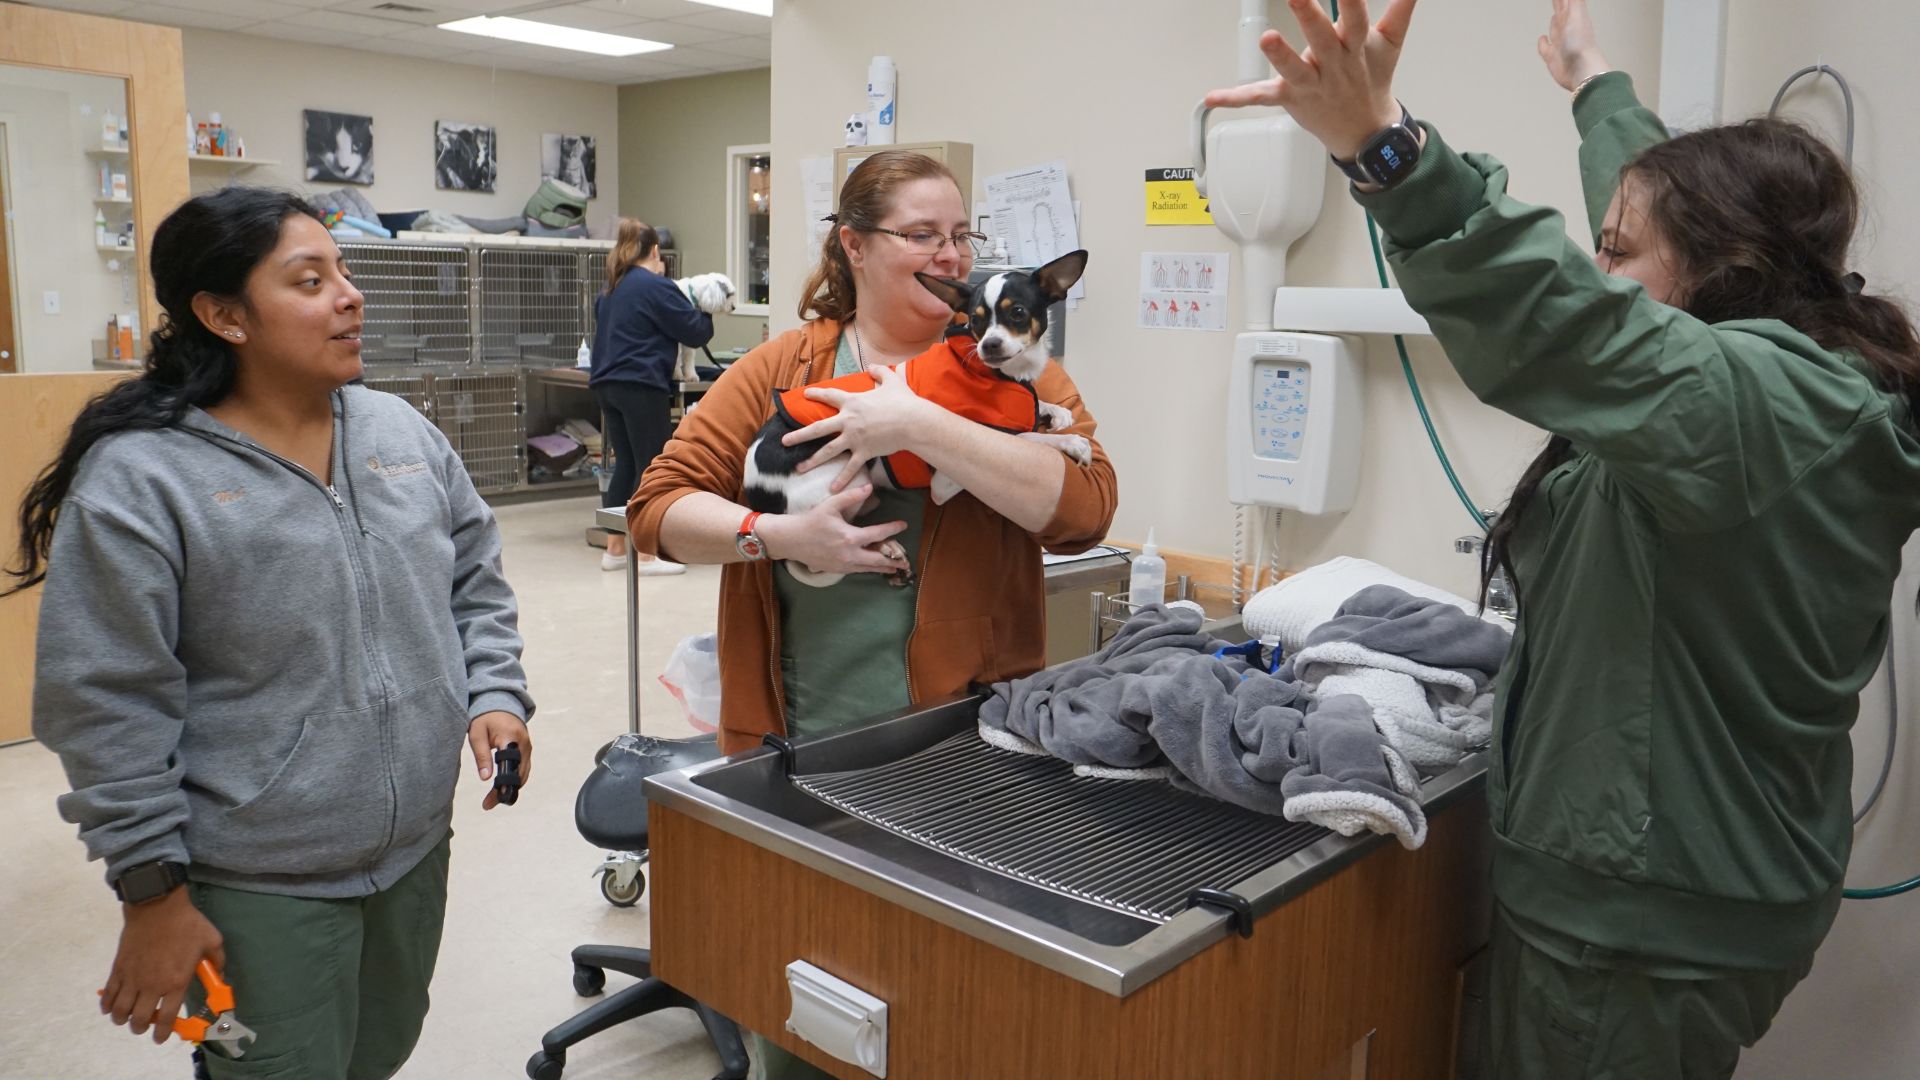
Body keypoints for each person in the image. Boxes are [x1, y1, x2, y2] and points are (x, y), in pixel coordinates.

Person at [1208, 0, 1920, 1075]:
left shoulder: (1750, 408)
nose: (1604, 270)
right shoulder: (1796, 383)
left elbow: (1569, 319)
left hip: (1634, 929)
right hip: (1684, 897)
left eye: (1617, 252)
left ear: (1724, 266)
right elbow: (1655, 244)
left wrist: (1388, 152)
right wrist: (1597, 91)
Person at [9, 187, 536, 1079]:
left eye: (343, 270)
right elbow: (104, 699)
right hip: (256, 879)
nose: (350, 294)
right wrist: (151, 895)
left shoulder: (396, 430)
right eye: (309, 278)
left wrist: (493, 692)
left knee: (379, 1053)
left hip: (414, 849)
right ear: (222, 315)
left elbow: (473, 575)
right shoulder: (145, 477)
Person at [627, 150, 1118, 1079]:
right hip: (807, 730)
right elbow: (659, 508)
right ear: (853, 246)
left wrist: (928, 428)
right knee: (815, 994)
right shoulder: (788, 366)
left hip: (966, 736)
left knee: (956, 998)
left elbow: (1085, 511)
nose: (951, 256)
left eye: (962, 235)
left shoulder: (1017, 369)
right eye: (923, 236)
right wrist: (781, 535)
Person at [592, 217, 714, 574]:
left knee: (625, 464)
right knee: (652, 465)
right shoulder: (655, 286)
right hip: (640, 384)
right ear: (656, 251)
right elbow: (693, 332)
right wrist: (706, 309)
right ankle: (647, 554)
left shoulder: (613, 286)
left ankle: (615, 550)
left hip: (607, 384)